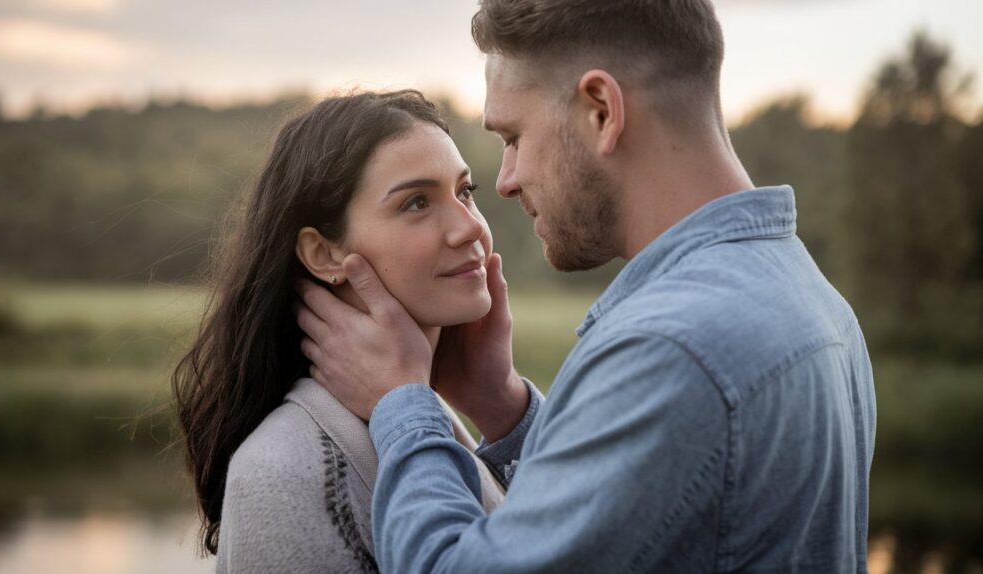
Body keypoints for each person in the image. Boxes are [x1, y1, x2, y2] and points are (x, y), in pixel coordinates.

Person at [297, 1, 877, 572]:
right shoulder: (811, 298)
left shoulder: (673, 346)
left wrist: (401, 402)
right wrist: (505, 409)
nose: (505, 181)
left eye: (514, 136)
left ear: (600, 110)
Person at [172, 90, 505, 573]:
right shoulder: (285, 470)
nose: (469, 227)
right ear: (324, 254)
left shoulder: (440, 418)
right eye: (416, 202)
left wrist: (503, 408)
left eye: (465, 192)